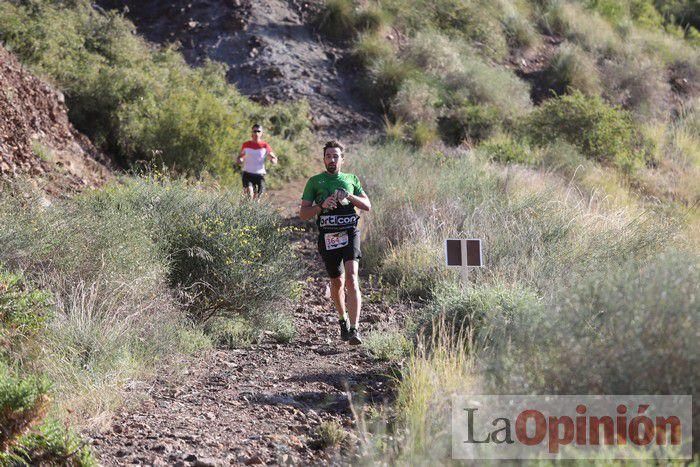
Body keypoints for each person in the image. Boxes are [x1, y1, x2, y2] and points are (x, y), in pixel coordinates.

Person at [299, 140, 371, 345]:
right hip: (328, 237)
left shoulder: (351, 179)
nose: (332, 159)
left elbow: (367, 205)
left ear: (342, 159)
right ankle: (343, 319)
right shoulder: (314, 182)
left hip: (349, 233)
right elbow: (303, 213)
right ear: (323, 159)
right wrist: (322, 206)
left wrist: (349, 196)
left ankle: (355, 329)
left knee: (352, 277)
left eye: (335, 156)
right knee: (337, 282)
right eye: (328, 156)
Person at [237, 124, 278, 199]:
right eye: (254, 131)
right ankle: (244, 210)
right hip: (247, 174)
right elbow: (240, 156)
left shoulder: (265, 145)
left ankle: (252, 210)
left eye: (258, 131)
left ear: (262, 133)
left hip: (260, 175)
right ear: (251, 133)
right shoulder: (246, 145)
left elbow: (273, 157)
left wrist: (273, 160)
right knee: (249, 195)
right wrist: (240, 160)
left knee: (257, 199)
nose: (256, 133)